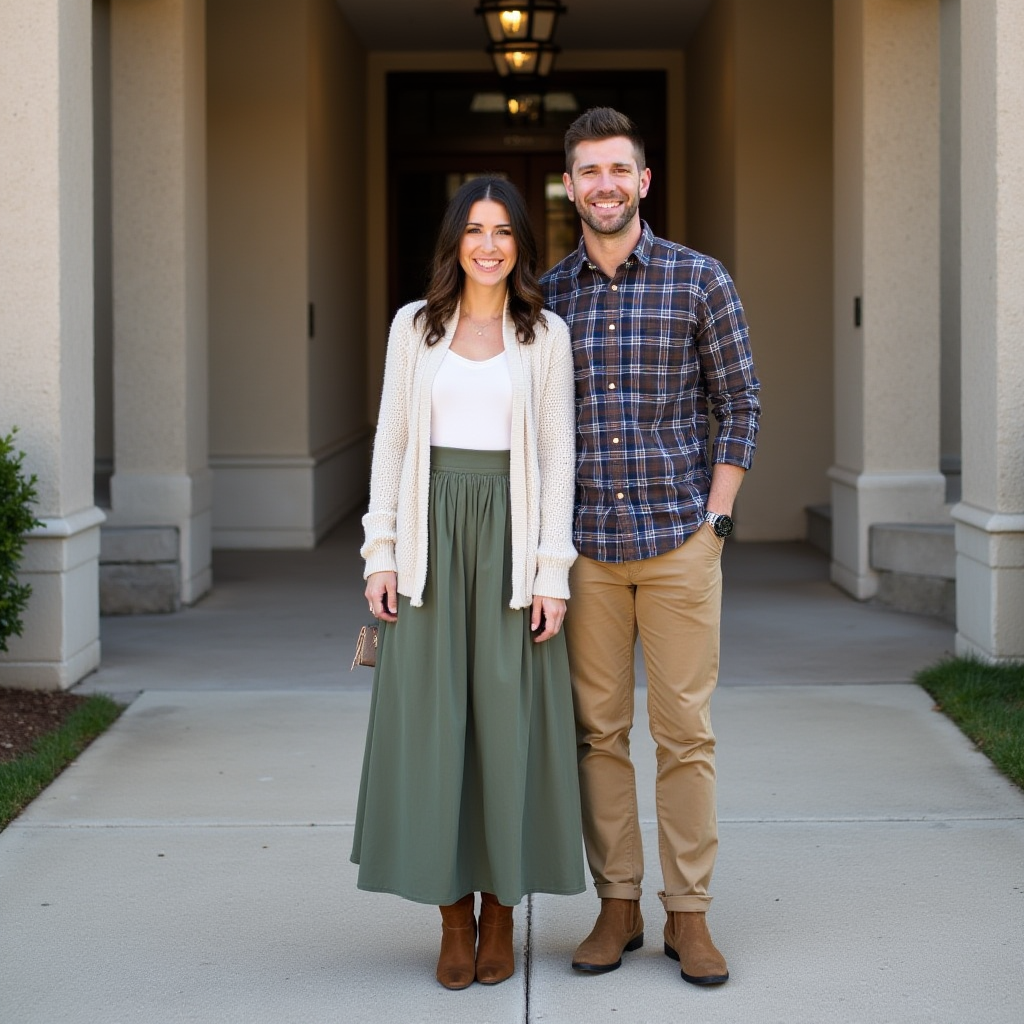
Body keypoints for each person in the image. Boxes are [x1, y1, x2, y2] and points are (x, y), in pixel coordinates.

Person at [540, 108, 761, 986]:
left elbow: (740, 402)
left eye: (617, 170)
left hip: (677, 541)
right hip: (587, 548)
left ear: (643, 182)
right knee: (599, 734)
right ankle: (618, 905)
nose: (603, 185)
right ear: (570, 185)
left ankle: (692, 918)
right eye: (588, 171)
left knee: (685, 735)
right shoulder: (548, 296)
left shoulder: (698, 279)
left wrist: (716, 522)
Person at [351, 176, 584, 990]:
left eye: (504, 231)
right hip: (428, 543)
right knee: (435, 732)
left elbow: (558, 455)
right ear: (454, 242)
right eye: (474, 230)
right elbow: (390, 445)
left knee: (504, 732)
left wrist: (552, 571)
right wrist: (381, 552)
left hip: (512, 548)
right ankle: (451, 915)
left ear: (522, 243)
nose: (488, 244)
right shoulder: (413, 329)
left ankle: (501, 910)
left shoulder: (545, 333)